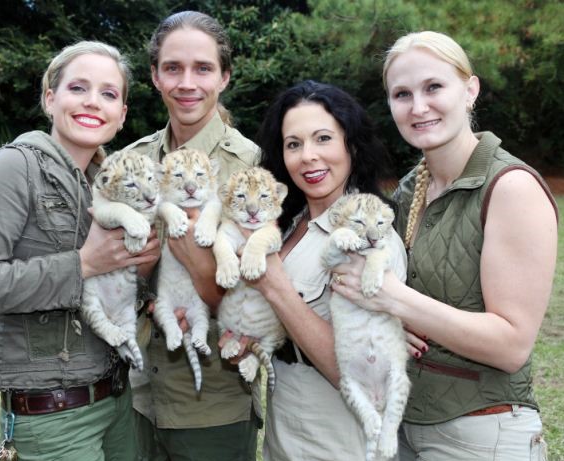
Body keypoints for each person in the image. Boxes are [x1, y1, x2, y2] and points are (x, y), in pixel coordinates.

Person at [330, 31, 558, 460]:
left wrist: (396, 301)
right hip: (405, 427)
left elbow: (511, 346)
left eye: (434, 87)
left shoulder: (511, 188)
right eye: (402, 94)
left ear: (470, 90)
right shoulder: (410, 189)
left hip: (481, 433)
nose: (418, 107)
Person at [0, 41, 160, 461]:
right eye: (78, 88)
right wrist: (82, 264)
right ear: (50, 97)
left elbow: (117, 288)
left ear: (122, 116)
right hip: (54, 417)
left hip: (117, 401)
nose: (93, 102)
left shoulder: (110, 179)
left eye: (109, 94)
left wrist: (144, 272)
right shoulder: (13, 169)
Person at [123, 11, 261, 461]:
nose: (187, 83)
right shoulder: (135, 160)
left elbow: (268, 290)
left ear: (224, 76)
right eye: (172, 68)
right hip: (137, 396)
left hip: (211, 407)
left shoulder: (250, 166)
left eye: (203, 68)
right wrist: (148, 297)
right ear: (154, 77)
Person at [246, 80, 407, 460]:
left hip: (338, 441)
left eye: (323, 139)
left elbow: (366, 379)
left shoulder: (369, 243)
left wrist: (275, 288)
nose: (308, 157)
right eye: (293, 144)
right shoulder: (289, 225)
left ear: (351, 144)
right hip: (285, 433)